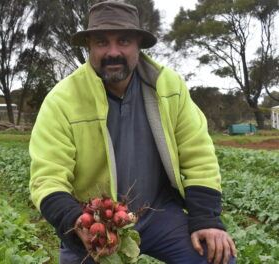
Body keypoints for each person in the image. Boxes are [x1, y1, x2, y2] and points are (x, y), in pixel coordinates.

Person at [29, 1, 237, 263]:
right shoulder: (62, 100)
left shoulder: (168, 86)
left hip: (158, 215)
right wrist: (76, 223)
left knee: (216, 257)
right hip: (96, 222)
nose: (113, 52)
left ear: (138, 45)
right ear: (89, 47)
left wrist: (207, 219)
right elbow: (47, 177)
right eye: (102, 42)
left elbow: (199, 155)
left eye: (124, 41)